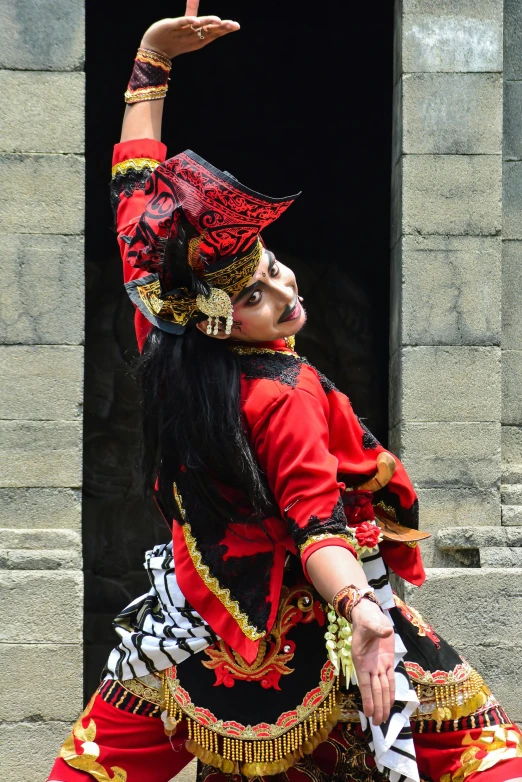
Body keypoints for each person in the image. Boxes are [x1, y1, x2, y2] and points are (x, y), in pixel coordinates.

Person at [48, 5, 522, 782]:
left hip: (196, 622)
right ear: (217, 320)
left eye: (272, 266)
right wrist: (367, 615)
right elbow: (317, 526)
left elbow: (134, 183)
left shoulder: (163, 326)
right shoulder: (285, 395)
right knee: (488, 758)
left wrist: (151, 61)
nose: (284, 289)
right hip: (323, 625)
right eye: (263, 295)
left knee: (86, 770)